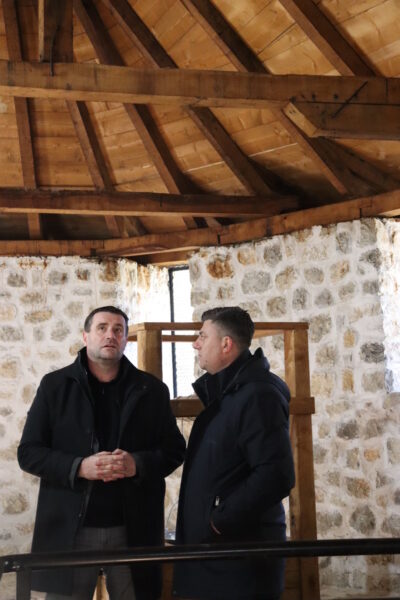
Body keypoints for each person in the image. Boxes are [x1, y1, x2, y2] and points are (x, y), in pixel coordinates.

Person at [18, 305, 185, 600]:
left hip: (133, 529)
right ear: (85, 336)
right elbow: (29, 453)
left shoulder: (152, 390)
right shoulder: (55, 386)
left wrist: (137, 464)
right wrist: (79, 467)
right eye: (102, 328)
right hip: (72, 528)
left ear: (125, 339)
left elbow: (174, 450)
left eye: (118, 330)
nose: (111, 335)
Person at [173, 306, 295, 600]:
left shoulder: (257, 394)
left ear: (226, 344)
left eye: (203, 336)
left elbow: (275, 474)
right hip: (219, 555)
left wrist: (218, 521)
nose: (196, 344)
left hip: (238, 558)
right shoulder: (232, 392)